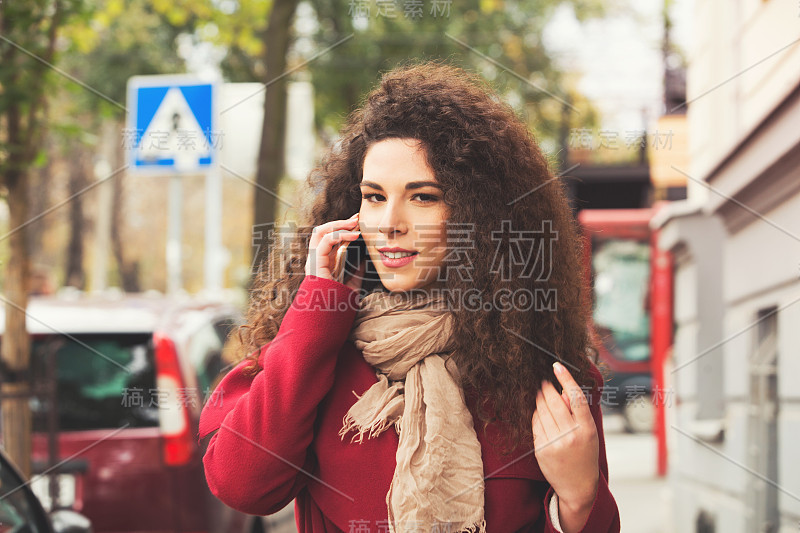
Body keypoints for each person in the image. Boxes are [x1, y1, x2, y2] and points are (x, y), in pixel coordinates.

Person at [198, 59, 621, 533]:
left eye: (423, 197)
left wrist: (581, 498)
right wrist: (317, 308)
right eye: (374, 196)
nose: (389, 223)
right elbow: (243, 486)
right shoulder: (310, 350)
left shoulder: (544, 367)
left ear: (477, 218)